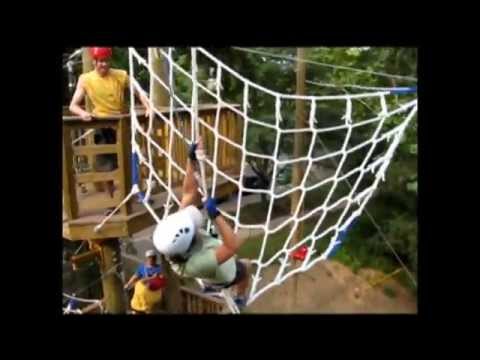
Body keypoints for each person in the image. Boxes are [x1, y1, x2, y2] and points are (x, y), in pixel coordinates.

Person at [153, 137, 250, 309]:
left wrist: (191, 161)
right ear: (188, 241)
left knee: (226, 247)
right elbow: (232, 246)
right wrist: (216, 215)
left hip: (209, 260)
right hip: (222, 276)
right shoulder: (195, 263)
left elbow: (189, 192)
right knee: (245, 266)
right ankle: (240, 297)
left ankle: (215, 284)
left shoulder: (175, 237)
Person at [69, 47, 151, 205]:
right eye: (100, 61)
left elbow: (139, 92)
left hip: (121, 124)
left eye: (106, 61)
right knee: (106, 167)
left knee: (131, 160)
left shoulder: (121, 75)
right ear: (94, 62)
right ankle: (112, 201)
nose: (104, 65)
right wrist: (83, 113)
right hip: (102, 125)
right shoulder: (85, 79)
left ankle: (135, 194)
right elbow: (73, 105)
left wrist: (148, 106)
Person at [124, 249, 166, 314]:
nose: (151, 259)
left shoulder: (159, 269)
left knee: (150, 310)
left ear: (155, 258)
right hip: (142, 296)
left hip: (153, 295)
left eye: (153, 258)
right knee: (137, 308)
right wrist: (128, 284)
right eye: (150, 258)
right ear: (147, 258)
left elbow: (162, 282)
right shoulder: (142, 268)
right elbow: (135, 277)